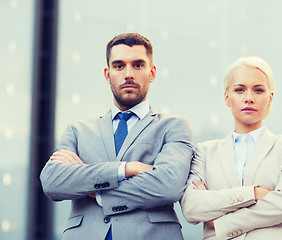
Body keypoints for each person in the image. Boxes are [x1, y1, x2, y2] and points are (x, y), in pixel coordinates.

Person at [40, 33, 193, 240]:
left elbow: (168, 186)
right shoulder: (78, 131)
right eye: (119, 66)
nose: (128, 74)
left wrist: (95, 190)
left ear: (152, 72)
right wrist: (128, 168)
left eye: (138, 65)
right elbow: (53, 182)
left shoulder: (173, 126)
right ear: (107, 74)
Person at [180, 56, 282, 239]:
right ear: (227, 97)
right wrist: (254, 193)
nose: (249, 98)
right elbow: (192, 208)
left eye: (258, 90)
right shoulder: (205, 152)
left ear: (270, 98)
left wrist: (218, 222)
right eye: (240, 90)